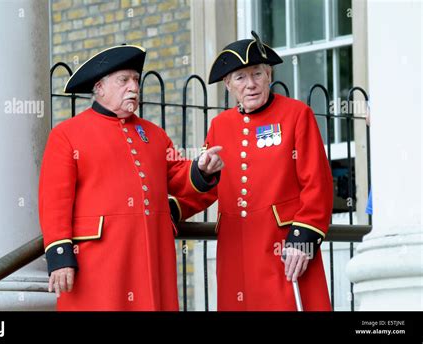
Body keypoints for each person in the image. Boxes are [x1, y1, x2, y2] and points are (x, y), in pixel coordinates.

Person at [38, 44, 224, 311]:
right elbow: (54, 200)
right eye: (123, 80)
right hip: (98, 261)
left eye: (136, 80)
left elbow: (178, 175)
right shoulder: (67, 134)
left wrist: (202, 168)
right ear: (99, 87)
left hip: (150, 254)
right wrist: (60, 255)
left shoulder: (154, 134)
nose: (134, 87)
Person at [175, 32, 334, 311]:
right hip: (236, 249)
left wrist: (303, 239)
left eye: (257, 74)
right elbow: (209, 188)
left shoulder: (297, 115)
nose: (250, 84)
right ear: (228, 85)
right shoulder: (220, 126)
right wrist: (169, 209)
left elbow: (317, 184)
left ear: (269, 74)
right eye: (240, 77)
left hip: (286, 247)